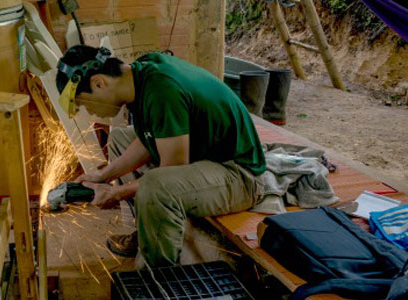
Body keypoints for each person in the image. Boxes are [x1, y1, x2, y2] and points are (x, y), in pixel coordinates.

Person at [56, 45, 266, 267]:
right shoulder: (142, 73)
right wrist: (103, 176)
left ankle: (155, 273)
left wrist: (115, 193)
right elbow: (150, 138)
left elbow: (170, 170)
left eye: (85, 103)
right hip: (206, 158)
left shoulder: (161, 90)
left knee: (155, 187)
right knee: (120, 139)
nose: (90, 113)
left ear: (99, 82)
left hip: (239, 176)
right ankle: (146, 231)